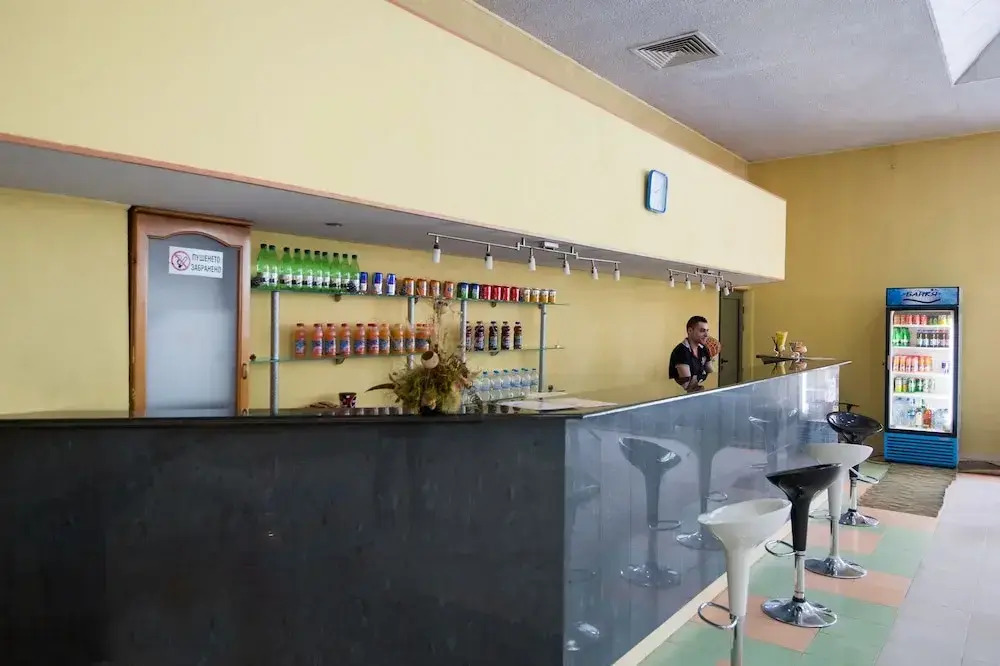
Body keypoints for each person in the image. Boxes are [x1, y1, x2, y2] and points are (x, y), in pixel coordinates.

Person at [669, 315, 716, 390]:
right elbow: (688, 385)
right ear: (690, 331)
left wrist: (712, 357)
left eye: (707, 331)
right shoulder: (681, 351)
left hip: (701, 391)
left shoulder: (704, 348)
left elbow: (711, 374)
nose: (707, 335)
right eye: (702, 331)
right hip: (684, 394)